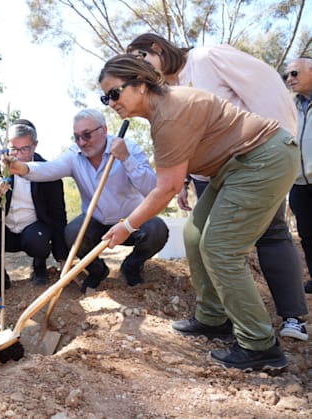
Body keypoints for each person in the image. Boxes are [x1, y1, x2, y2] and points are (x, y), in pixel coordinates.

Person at [98, 54, 299, 371]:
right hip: (232, 167)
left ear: (139, 84)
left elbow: (165, 188)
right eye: (104, 97)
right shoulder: (162, 113)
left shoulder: (169, 114)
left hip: (263, 158)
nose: (110, 103)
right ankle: (214, 318)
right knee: (194, 234)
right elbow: (171, 176)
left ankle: (260, 346)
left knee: (220, 247)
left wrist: (126, 225)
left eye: (114, 93)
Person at [5, 109, 168, 293]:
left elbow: (151, 188)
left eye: (87, 135)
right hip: (96, 222)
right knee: (72, 234)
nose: (82, 142)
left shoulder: (127, 147)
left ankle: (132, 266)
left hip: (131, 223)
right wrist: (22, 168)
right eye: (77, 137)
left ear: (104, 130)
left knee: (157, 230)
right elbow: (49, 169)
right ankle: (97, 271)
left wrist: (126, 159)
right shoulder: (74, 155)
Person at [0, 119, 69, 298]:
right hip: (5, 229)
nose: (17, 155)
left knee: (39, 240)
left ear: (34, 146)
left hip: (33, 230)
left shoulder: (48, 169)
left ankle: (39, 266)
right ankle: (0, 278)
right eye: (13, 149)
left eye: (24, 149)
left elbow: (58, 215)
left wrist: (62, 257)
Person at [285, 56, 312, 295]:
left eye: (294, 73)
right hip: (299, 183)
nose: (289, 79)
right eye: (287, 75)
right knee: (307, 234)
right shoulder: (290, 106)